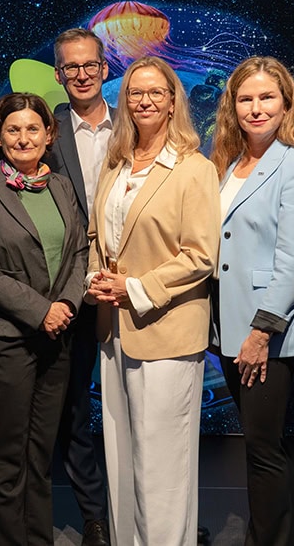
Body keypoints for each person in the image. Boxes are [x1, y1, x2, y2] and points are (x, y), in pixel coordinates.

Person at [86, 56, 219, 545]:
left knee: (162, 466)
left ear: (172, 102)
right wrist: (95, 279)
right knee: (121, 458)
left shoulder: (194, 168)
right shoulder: (116, 163)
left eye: (155, 93)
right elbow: (99, 234)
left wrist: (135, 289)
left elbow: (200, 255)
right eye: (135, 93)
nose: (144, 101)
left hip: (165, 330)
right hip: (113, 329)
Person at [210, 56, 294, 546]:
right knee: (255, 446)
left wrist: (262, 331)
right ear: (233, 106)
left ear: (286, 103)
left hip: (266, 333)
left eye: (267, 97)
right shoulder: (227, 165)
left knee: (264, 448)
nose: (256, 108)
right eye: (246, 98)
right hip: (227, 325)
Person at [0, 93, 89, 545]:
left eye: (33, 128)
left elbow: (78, 253)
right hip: (5, 340)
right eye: (13, 129)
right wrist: (42, 312)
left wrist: (67, 306)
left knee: (40, 453)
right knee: (6, 454)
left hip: (57, 336)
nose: (23, 137)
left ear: (49, 136)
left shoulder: (61, 187)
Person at [46, 27, 112, 546]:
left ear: (104, 68)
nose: (82, 74)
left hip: (128, 289)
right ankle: (94, 513)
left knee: (132, 405)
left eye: (89, 65)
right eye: (71, 67)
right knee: (72, 406)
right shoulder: (45, 131)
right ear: (58, 75)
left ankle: (147, 509)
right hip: (68, 288)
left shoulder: (135, 123)